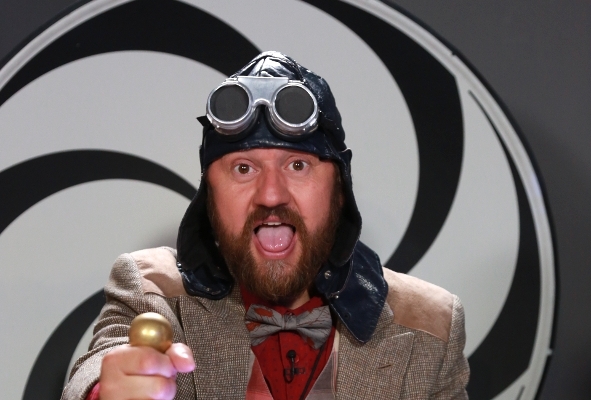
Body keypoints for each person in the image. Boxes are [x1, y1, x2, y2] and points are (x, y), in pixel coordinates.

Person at [62, 51, 469, 400]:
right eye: (244, 168)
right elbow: (100, 366)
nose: (271, 195)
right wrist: (106, 390)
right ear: (210, 195)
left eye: (298, 165)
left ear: (340, 189)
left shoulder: (431, 326)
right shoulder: (152, 291)